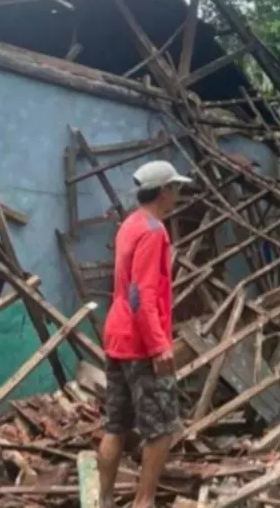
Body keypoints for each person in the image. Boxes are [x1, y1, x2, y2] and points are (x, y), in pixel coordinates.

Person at [97, 160, 194, 508]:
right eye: (176, 188)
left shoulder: (129, 224)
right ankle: (144, 502)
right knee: (162, 428)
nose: (178, 195)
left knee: (115, 426)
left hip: (117, 336)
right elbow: (142, 294)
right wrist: (158, 346)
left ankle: (104, 500)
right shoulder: (153, 231)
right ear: (164, 190)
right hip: (139, 343)